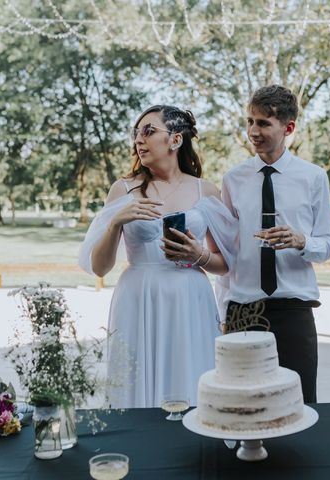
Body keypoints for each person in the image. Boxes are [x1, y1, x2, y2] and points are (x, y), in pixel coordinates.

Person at [79, 105, 236, 408]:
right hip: (138, 297)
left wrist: (199, 255)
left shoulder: (206, 191)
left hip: (190, 299)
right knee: (137, 379)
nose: (139, 140)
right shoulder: (122, 189)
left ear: (176, 139)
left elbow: (225, 263)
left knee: (189, 376)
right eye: (136, 133)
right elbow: (100, 267)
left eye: (149, 131)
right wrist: (115, 223)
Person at [219, 85, 330, 403]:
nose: (253, 131)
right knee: (245, 405)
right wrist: (224, 312)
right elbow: (228, 253)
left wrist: (301, 241)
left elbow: (327, 245)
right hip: (244, 310)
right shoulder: (232, 180)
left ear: (288, 128)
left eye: (263, 123)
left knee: (297, 404)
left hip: (294, 310)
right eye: (249, 121)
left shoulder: (313, 178)